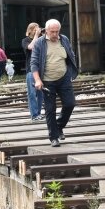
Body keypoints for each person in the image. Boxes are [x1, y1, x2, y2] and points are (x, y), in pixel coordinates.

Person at [30, 19, 78, 147]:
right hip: (47, 81)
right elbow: (34, 63)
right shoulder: (40, 43)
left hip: (64, 78)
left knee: (70, 104)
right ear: (46, 31)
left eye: (57, 31)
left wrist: (71, 71)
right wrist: (38, 80)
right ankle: (54, 137)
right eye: (52, 32)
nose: (55, 34)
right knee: (50, 109)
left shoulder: (64, 39)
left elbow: (70, 54)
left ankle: (59, 126)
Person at [22, 23, 45, 121]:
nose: (37, 31)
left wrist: (43, 35)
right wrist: (36, 36)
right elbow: (30, 47)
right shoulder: (25, 40)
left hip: (41, 70)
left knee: (41, 94)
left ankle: (38, 113)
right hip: (31, 70)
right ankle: (34, 115)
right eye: (35, 29)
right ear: (30, 30)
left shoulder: (40, 40)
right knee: (32, 93)